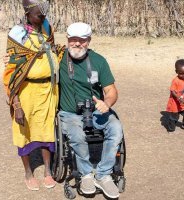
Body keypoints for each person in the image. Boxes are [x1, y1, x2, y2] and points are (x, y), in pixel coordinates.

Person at [2, 0, 64, 191]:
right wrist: (17, 105)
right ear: (28, 13)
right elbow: (11, 73)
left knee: (47, 130)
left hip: (48, 90)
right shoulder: (17, 34)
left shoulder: (46, 26)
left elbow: (51, 50)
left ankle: (47, 171)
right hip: (26, 91)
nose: (43, 18)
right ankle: (28, 173)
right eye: (39, 15)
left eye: (44, 14)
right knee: (24, 133)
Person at [58, 22, 123, 199]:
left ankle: (103, 174)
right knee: (77, 136)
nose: (77, 43)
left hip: (96, 111)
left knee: (116, 129)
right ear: (67, 39)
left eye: (82, 40)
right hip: (69, 113)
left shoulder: (99, 61)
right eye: (73, 39)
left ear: (89, 41)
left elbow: (111, 91)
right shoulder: (58, 58)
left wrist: (106, 103)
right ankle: (86, 174)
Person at [166, 59, 184, 132]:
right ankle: (170, 128)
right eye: (181, 73)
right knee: (174, 117)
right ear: (176, 72)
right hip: (175, 103)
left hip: (183, 102)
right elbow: (172, 91)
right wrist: (179, 98)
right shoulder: (175, 80)